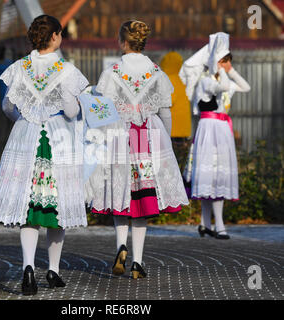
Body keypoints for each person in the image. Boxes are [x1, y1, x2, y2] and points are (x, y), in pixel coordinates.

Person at [0, 15, 89, 295]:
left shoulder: (19, 67)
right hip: (57, 139)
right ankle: (53, 270)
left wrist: (24, 117)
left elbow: (8, 106)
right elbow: (70, 111)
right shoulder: (66, 70)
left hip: (26, 136)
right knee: (57, 208)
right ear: (55, 36)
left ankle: (28, 268)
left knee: (30, 210)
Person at [85, 20, 189, 279]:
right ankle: (138, 263)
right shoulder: (157, 73)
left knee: (120, 194)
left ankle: (121, 246)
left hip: (120, 138)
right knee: (142, 200)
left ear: (122, 41)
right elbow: (165, 112)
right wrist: (167, 140)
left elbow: (102, 111)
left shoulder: (112, 73)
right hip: (148, 139)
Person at [180, 32, 250, 240]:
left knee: (218, 175)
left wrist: (231, 69)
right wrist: (220, 70)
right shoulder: (206, 82)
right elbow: (224, 86)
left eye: (228, 61)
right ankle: (210, 224)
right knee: (208, 176)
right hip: (209, 129)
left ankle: (211, 224)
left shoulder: (224, 78)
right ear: (214, 63)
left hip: (222, 130)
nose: (226, 65)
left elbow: (246, 87)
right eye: (223, 61)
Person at [160, 51, 191, 138]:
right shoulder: (181, 80)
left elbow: (167, 101)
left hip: (173, 129)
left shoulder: (169, 80)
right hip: (184, 128)